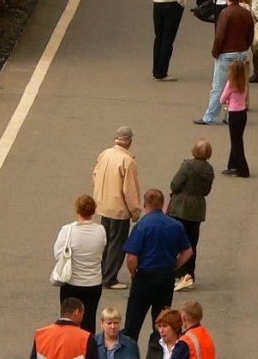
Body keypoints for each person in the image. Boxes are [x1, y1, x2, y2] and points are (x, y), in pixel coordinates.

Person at [122, 190, 193, 351]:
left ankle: (129, 353)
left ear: (145, 204)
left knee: (133, 322)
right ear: (162, 204)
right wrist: (174, 266)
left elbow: (132, 257)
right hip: (166, 276)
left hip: (145, 276)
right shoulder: (175, 225)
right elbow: (188, 251)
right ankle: (156, 353)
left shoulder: (142, 225)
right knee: (162, 322)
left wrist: (134, 274)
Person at [195, 0, 252, 125]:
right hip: (242, 52)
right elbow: (250, 33)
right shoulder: (246, 13)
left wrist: (215, 51)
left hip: (227, 53)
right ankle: (230, 115)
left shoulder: (226, 13)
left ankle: (210, 116)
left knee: (218, 87)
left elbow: (220, 35)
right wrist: (245, 47)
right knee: (236, 84)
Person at [93, 127, 143, 289]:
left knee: (106, 242)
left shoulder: (104, 154)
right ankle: (109, 277)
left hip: (103, 205)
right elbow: (130, 190)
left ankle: (101, 272)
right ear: (129, 141)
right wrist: (135, 211)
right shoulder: (127, 161)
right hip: (119, 209)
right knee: (117, 244)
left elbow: (95, 176)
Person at [53, 194, 109, 333]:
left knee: (68, 322)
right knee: (89, 322)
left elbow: (58, 254)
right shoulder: (101, 230)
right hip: (93, 283)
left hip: (72, 283)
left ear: (77, 209)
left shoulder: (68, 230)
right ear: (94, 211)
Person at [168, 141, 214, 293]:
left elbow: (175, 184)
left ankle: (177, 272)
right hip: (197, 208)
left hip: (181, 206)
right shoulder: (209, 169)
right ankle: (189, 274)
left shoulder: (187, 165)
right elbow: (206, 191)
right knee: (191, 242)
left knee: (175, 240)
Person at [32, 297, 99, 359]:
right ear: (76, 312)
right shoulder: (87, 338)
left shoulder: (40, 335)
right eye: (82, 313)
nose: (82, 317)